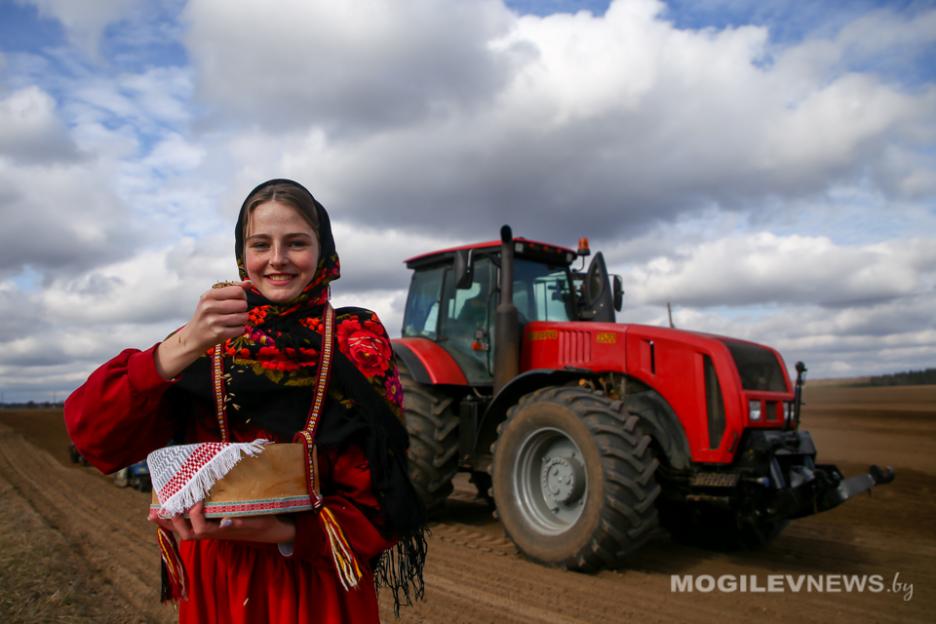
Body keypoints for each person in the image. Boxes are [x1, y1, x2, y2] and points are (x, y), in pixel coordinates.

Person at [64, 179, 426, 623]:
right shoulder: (206, 339)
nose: (277, 259)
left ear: (324, 251)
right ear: (242, 254)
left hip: (320, 583)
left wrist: (284, 531)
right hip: (220, 582)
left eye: (296, 243)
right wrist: (181, 346)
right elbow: (93, 433)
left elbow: (383, 502)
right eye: (261, 244)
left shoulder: (356, 344)